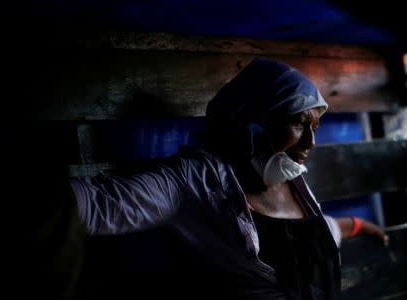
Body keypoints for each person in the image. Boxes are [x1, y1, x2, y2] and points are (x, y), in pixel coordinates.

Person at [69, 57, 388, 299]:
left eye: (315, 127)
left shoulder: (292, 178)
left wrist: (355, 226)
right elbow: (99, 203)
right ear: (254, 122)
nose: (310, 143)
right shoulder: (195, 180)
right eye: (298, 123)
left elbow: (308, 235)